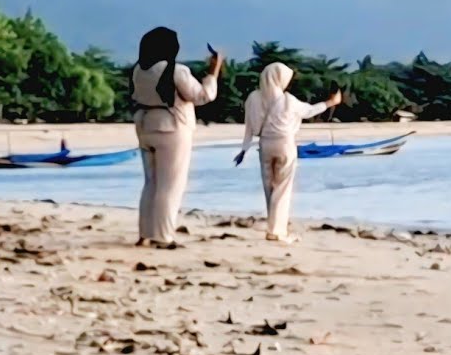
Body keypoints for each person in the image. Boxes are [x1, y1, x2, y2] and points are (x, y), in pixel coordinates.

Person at [131, 27, 222, 247]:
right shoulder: (177, 70)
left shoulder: (138, 70)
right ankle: (163, 236)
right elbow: (202, 96)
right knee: (170, 185)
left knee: (151, 183)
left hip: (145, 125)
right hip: (172, 127)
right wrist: (213, 71)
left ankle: (145, 233)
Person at [235, 63, 342, 242]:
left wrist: (244, 149)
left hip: (264, 145)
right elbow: (310, 111)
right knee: (282, 188)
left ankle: (273, 226)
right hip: (284, 144)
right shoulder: (288, 100)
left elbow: (249, 126)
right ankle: (276, 230)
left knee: (269, 188)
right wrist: (332, 102)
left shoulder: (253, 98)